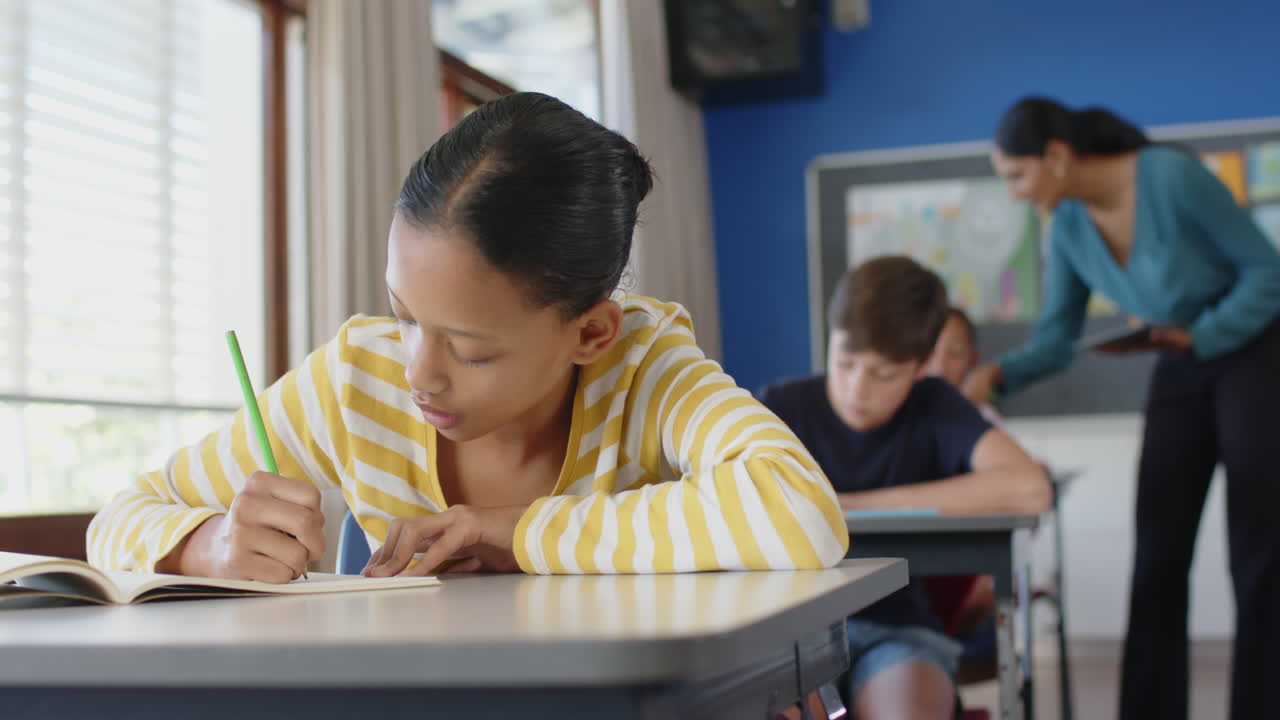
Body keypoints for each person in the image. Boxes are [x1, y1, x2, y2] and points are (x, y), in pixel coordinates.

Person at [86, 92, 849, 589]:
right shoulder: (358, 382)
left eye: (472, 350)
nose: (420, 375)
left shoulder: (642, 368)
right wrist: (204, 547)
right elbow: (119, 518)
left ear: (590, 330)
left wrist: (512, 532)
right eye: (404, 315)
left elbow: (802, 512)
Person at [963, 96, 1280, 720]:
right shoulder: (1071, 229)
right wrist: (995, 376)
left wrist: (1201, 335)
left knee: (1259, 552)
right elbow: (1056, 341)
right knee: (1157, 554)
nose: (1016, 194)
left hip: (1254, 354)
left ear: (1055, 157)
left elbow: (1267, 274)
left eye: (1017, 176)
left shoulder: (1169, 176)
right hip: (1178, 362)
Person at [759, 256, 1050, 719]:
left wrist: (855, 504)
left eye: (883, 374)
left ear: (920, 368)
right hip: (794, 632)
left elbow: (1030, 488)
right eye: (845, 363)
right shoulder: (781, 406)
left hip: (898, 630)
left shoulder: (935, 406)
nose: (857, 389)